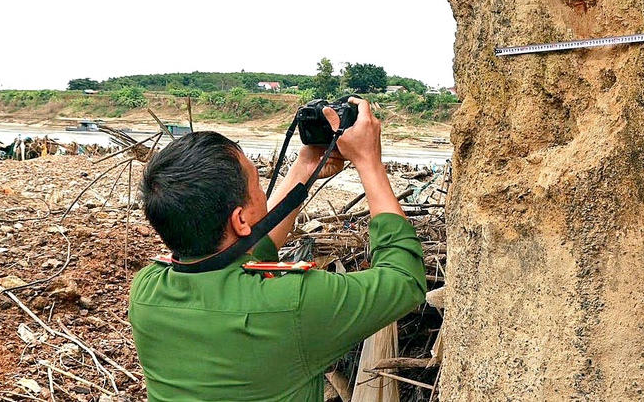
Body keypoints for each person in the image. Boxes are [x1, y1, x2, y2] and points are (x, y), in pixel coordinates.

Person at [129, 97, 427, 402]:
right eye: (258, 185)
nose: (263, 191)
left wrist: (305, 167)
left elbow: (238, 256)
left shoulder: (146, 291)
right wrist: (369, 162)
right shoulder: (294, 305)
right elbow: (404, 279)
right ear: (240, 219)